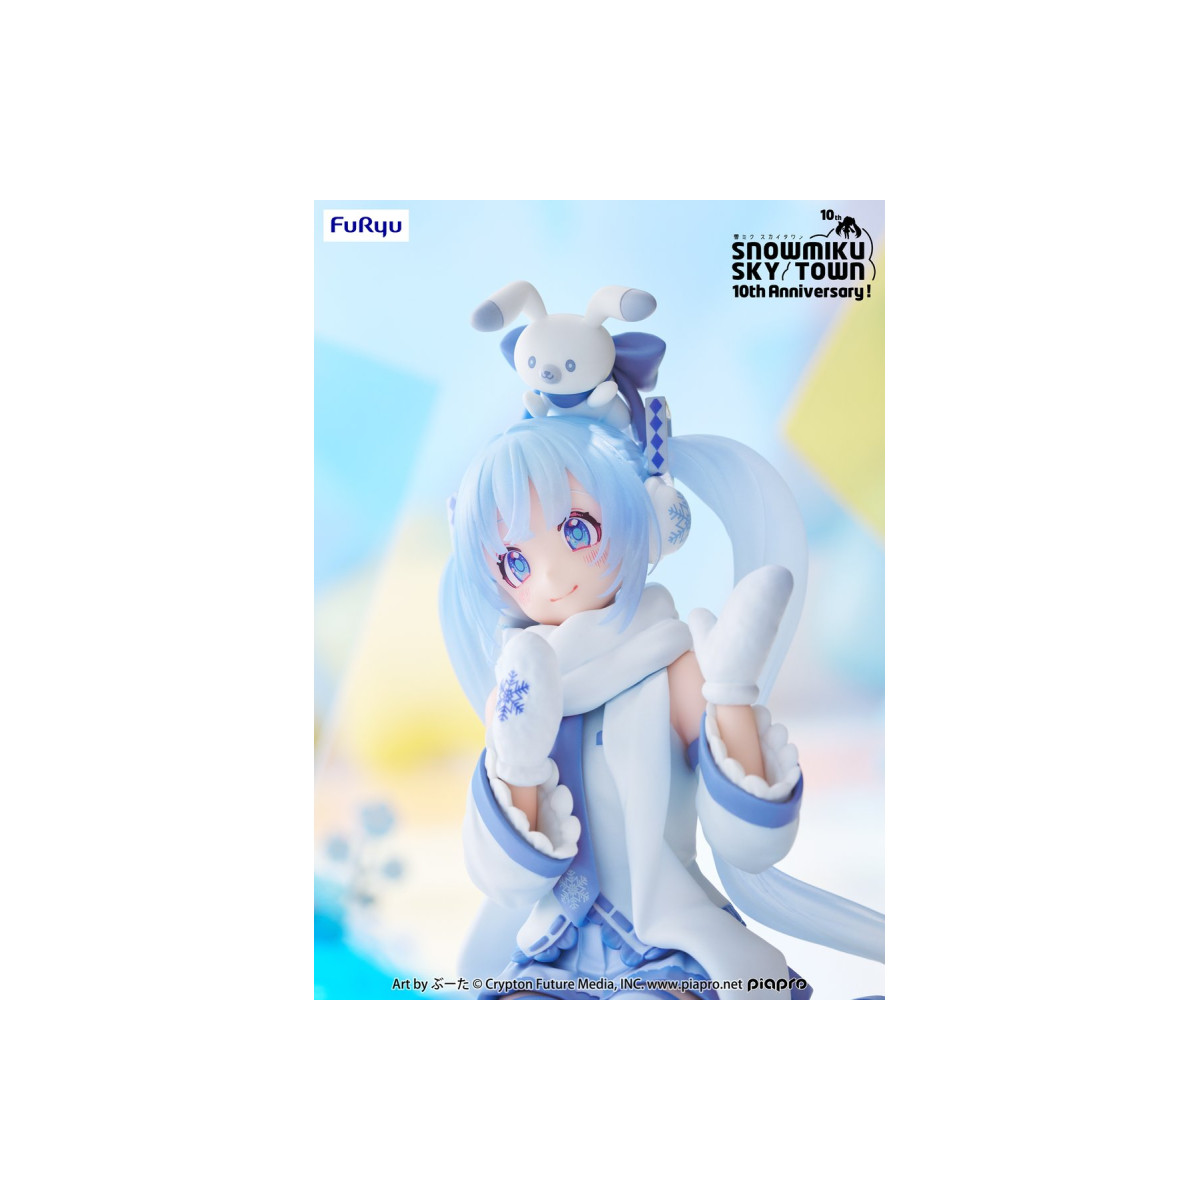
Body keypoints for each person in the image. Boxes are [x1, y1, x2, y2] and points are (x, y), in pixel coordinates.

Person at [440, 414, 882, 1000]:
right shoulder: (518, 689)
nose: (549, 574)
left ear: (645, 518)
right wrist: (518, 762)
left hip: (666, 944)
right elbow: (508, 884)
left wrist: (730, 696)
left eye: (577, 531)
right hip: (553, 955)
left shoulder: (672, 667)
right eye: (514, 563)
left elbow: (749, 842)